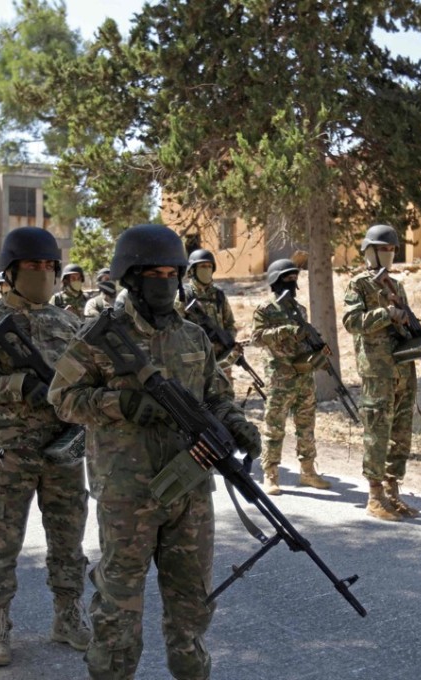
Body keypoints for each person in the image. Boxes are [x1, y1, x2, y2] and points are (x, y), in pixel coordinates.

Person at [50, 223, 260, 680]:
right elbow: (61, 397)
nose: (165, 282)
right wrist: (120, 403)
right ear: (131, 277)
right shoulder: (98, 336)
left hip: (191, 489)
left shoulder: (193, 336)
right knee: (119, 605)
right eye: (155, 273)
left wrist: (238, 425)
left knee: (193, 601)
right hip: (128, 494)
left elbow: (216, 396)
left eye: (173, 273)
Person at [0, 226, 90, 667]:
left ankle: (67, 615)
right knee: (0, 541)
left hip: (64, 450)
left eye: (49, 266)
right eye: (33, 266)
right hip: (10, 453)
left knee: (68, 538)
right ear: (11, 272)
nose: (43, 273)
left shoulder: (71, 322)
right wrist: (17, 385)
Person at [342, 225, 421, 521]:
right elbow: (351, 321)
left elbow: (405, 321)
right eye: (382, 249)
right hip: (377, 369)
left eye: (391, 249)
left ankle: (392, 491)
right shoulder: (358, 285)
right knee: (377, 431)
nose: (388, 254)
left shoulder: (396, 286)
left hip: (403, 366)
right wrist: (386, 314)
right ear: (369, 252)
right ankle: (374, 496)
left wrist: (415, 334)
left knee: (401, 432)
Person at [251, 259, 332, 495]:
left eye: (294, 278)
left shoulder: (300, 310)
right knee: (274, 427)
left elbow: (304, 341)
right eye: (287, 278)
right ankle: (271, 474)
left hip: (303, 376)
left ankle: (307, 471)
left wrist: (317, 351)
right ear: (275, 280)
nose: (292, 282)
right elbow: (256, 339)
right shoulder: (265, 310)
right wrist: (286, 331)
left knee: (306, 426)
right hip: (280, 378)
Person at [181, 249, 240, 378]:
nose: (206, 269)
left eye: (209, 266)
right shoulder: (184, 295)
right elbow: (174, 328)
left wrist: (226, 339)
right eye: (202, 266)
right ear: (192, 270)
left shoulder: (219, 295)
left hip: (220, 358)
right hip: (195, 360)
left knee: (224, 394)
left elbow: (230, 323)